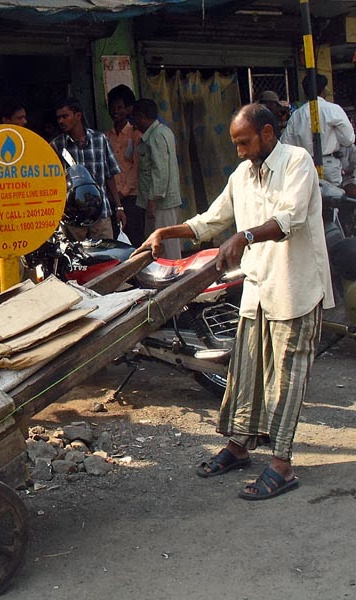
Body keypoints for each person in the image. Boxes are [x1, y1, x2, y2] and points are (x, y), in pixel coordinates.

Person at [137, 103, 334, 501]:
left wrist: (242, 238)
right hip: (258, 287)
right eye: (235, 144)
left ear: (266, 132)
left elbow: (288, 220)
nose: (239, 151)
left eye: (244, 142)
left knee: (286, 380)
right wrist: (166, 231)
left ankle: (282, 464)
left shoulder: (298, 162)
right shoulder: (242, 175)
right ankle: (238, 447)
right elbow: (211, 220)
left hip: (295, 288)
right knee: (245, 374)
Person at [50, 97, 125, 240]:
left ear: (78, 116)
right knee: (77, 260)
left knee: (107, 258)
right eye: (58, 118)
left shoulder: (100, 139)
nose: (61, 121)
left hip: (101, 214)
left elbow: (109, 176)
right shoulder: (56, 146)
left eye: (65, 116)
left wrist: (119, 207)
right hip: (73, 218)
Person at [280, 73, 354, 186]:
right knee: (334, 199)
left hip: (305, 166)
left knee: (312, 201)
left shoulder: (297, 115)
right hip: (329, 165)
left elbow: (285, 144)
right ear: (323, 90)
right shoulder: (333, 110)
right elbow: (348, 140)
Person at [131, 98, 182, 259]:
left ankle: (175, 280)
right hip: (162, 201)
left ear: (140, 116)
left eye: (135, 118)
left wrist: (152, 201)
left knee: (167, 247)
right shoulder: (162, 131)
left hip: (161, 203)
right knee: (162, 244)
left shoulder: (156, 136)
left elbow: (160, 172)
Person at [105, 85, 145, 246]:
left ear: (128, 108)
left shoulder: (135, 134)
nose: (116, 111)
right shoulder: (106, 136)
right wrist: (115, 196)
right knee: (116, 243)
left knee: (134, 240)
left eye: (120, 107)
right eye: (112, 107)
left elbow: (137, 168)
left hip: (132, 197)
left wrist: (124, 192)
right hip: (113, 198)